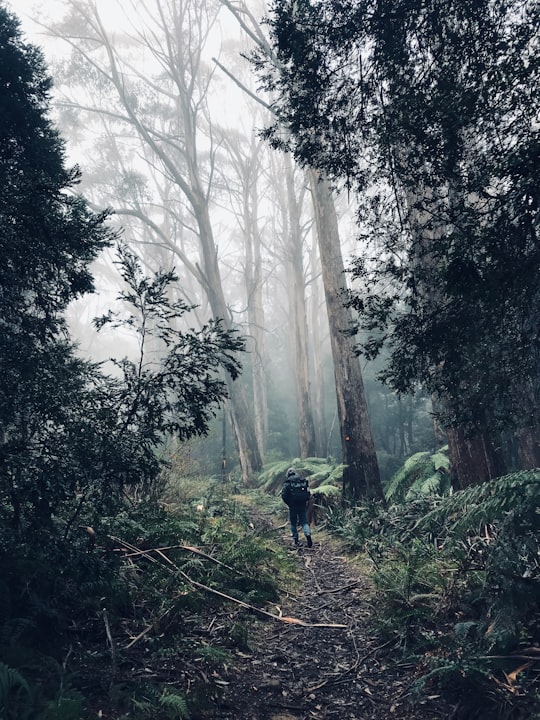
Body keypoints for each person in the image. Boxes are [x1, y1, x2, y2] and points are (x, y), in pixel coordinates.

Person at [281, 467, 313, 547]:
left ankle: (296, 540)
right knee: (304, 522)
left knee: (293, 523)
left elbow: (284, 495)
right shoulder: (302, 481)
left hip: (293, 506)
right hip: (302, 505)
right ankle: (308, 535)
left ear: (288, 474)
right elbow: (308, 493)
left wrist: (289, 503)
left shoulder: (288, 483)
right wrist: (305, 501)